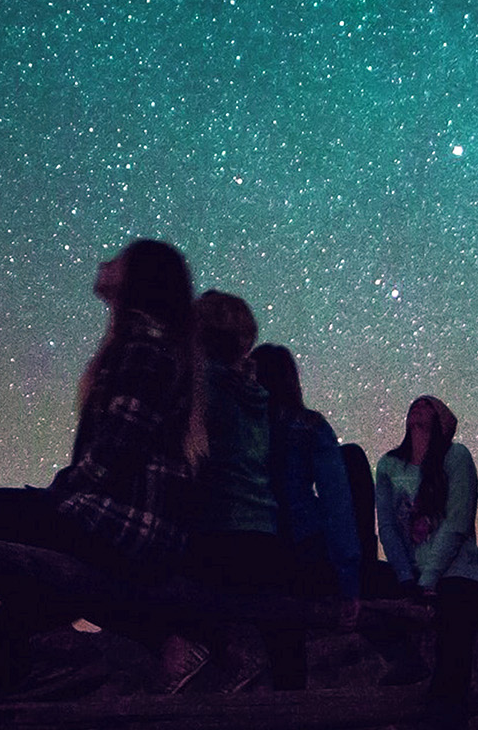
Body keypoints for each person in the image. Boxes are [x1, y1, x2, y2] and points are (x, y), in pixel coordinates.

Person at [0, 239, 204, 696]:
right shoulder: (146, 346)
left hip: (128, 528)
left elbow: (114, 455)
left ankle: (156, 638)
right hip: (129, 525)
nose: (104, 263)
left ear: (138, 279)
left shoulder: (144, 349)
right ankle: (79, 674)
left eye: (119, 259)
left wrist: (58, 495)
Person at [178, 291, 307, 691]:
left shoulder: (202, 387)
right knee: (285, 640)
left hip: (217, 533)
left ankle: (213, 660)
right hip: (263, 536)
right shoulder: (257, 397)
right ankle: (297, 711)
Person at [375, 395, 478, 721]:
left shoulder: (456, 456)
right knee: (366, 582)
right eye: (414, 403)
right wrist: (406, 577)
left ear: (443, 420)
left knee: (452, 665)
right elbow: (388, 528)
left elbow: (457, 522)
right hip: (411, 574)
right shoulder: (388, 466)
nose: (419, 405)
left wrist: (428, 578)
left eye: (429, 405)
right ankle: (405, 663)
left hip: (456, 572)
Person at [253, 343, 362, 627]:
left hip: (255, 541)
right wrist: (348, 580)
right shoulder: (309, 425)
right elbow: (336, 503)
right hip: (304, 545)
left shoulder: (241, 422)